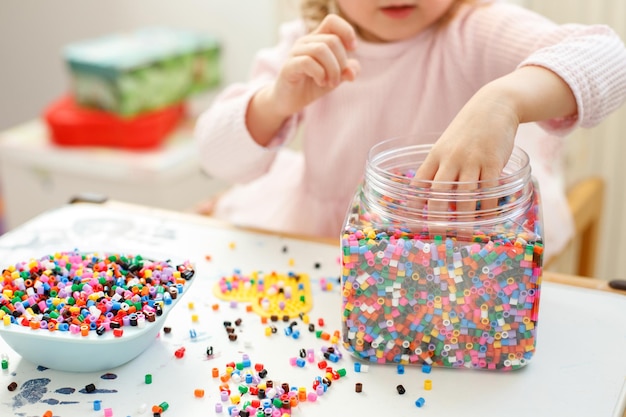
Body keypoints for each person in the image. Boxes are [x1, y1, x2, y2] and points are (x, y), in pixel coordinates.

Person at [194, 0, 626, 263]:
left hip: (455, 252)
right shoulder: (309, 40)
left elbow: (609, 56)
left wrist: (505, 100)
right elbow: (214, 156)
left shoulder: (474, 28)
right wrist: (275, 101)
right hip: (326, 243)